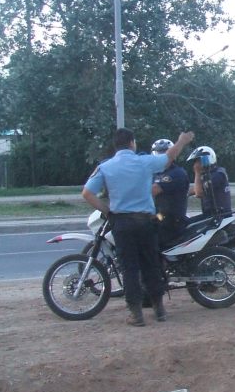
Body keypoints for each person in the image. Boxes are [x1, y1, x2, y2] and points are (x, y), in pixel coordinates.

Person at [82, 128, 194, 326]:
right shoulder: (144, 162)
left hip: (122, 223)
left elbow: (87, 193)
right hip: (146, 222)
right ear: (132, 143)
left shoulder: (105, 167)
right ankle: (159, 310)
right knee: (151, 265)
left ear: (115, 145)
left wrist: (107, 210)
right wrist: (182, 141)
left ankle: (136, 315)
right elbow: (168, 158)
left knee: (129, 269)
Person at [150, 138, 190, 245]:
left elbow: (152, 191)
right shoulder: (156, 173)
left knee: (146, 238)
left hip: (170, 221)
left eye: (165, 153)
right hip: (160, 216)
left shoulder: (176, 173)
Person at [188, 145, 232, 217]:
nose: (195, 164)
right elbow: (195, 189)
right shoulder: (209, 174)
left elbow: (199, 193)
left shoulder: (218, 175)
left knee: (187, 226)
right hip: (210, 215)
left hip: (219, 216)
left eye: (198, 161)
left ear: (207, 159)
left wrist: (197, 172)